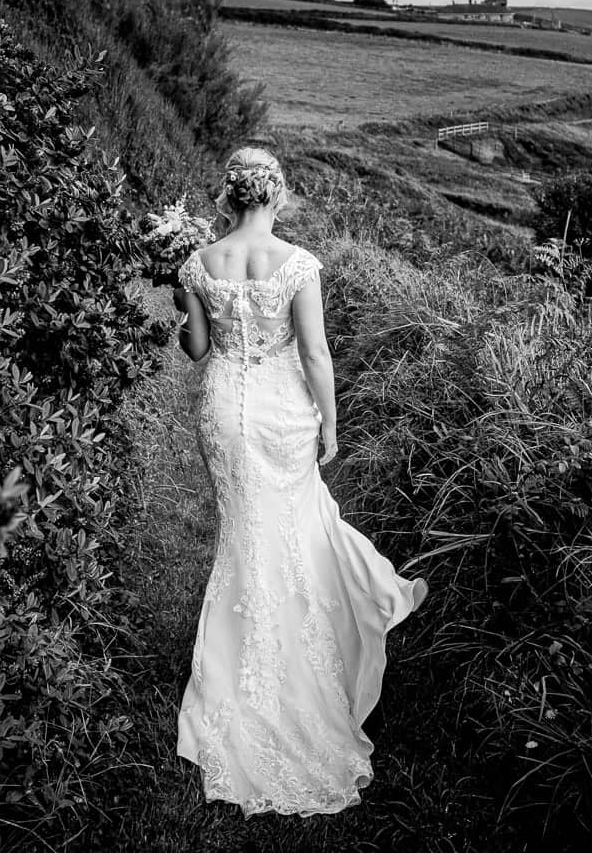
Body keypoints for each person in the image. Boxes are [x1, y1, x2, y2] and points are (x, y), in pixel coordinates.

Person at [171, 146, 427, 816]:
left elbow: (197, 350)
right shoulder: (298, 264)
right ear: (277, 195)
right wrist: (332, 426)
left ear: (230, 197)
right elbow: (314, 352)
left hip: (225, 410)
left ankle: (242, 672)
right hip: (284, 413)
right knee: (291, 529)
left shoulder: (198, 264)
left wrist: (183, 302)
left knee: (242, 537)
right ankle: (296, 663)